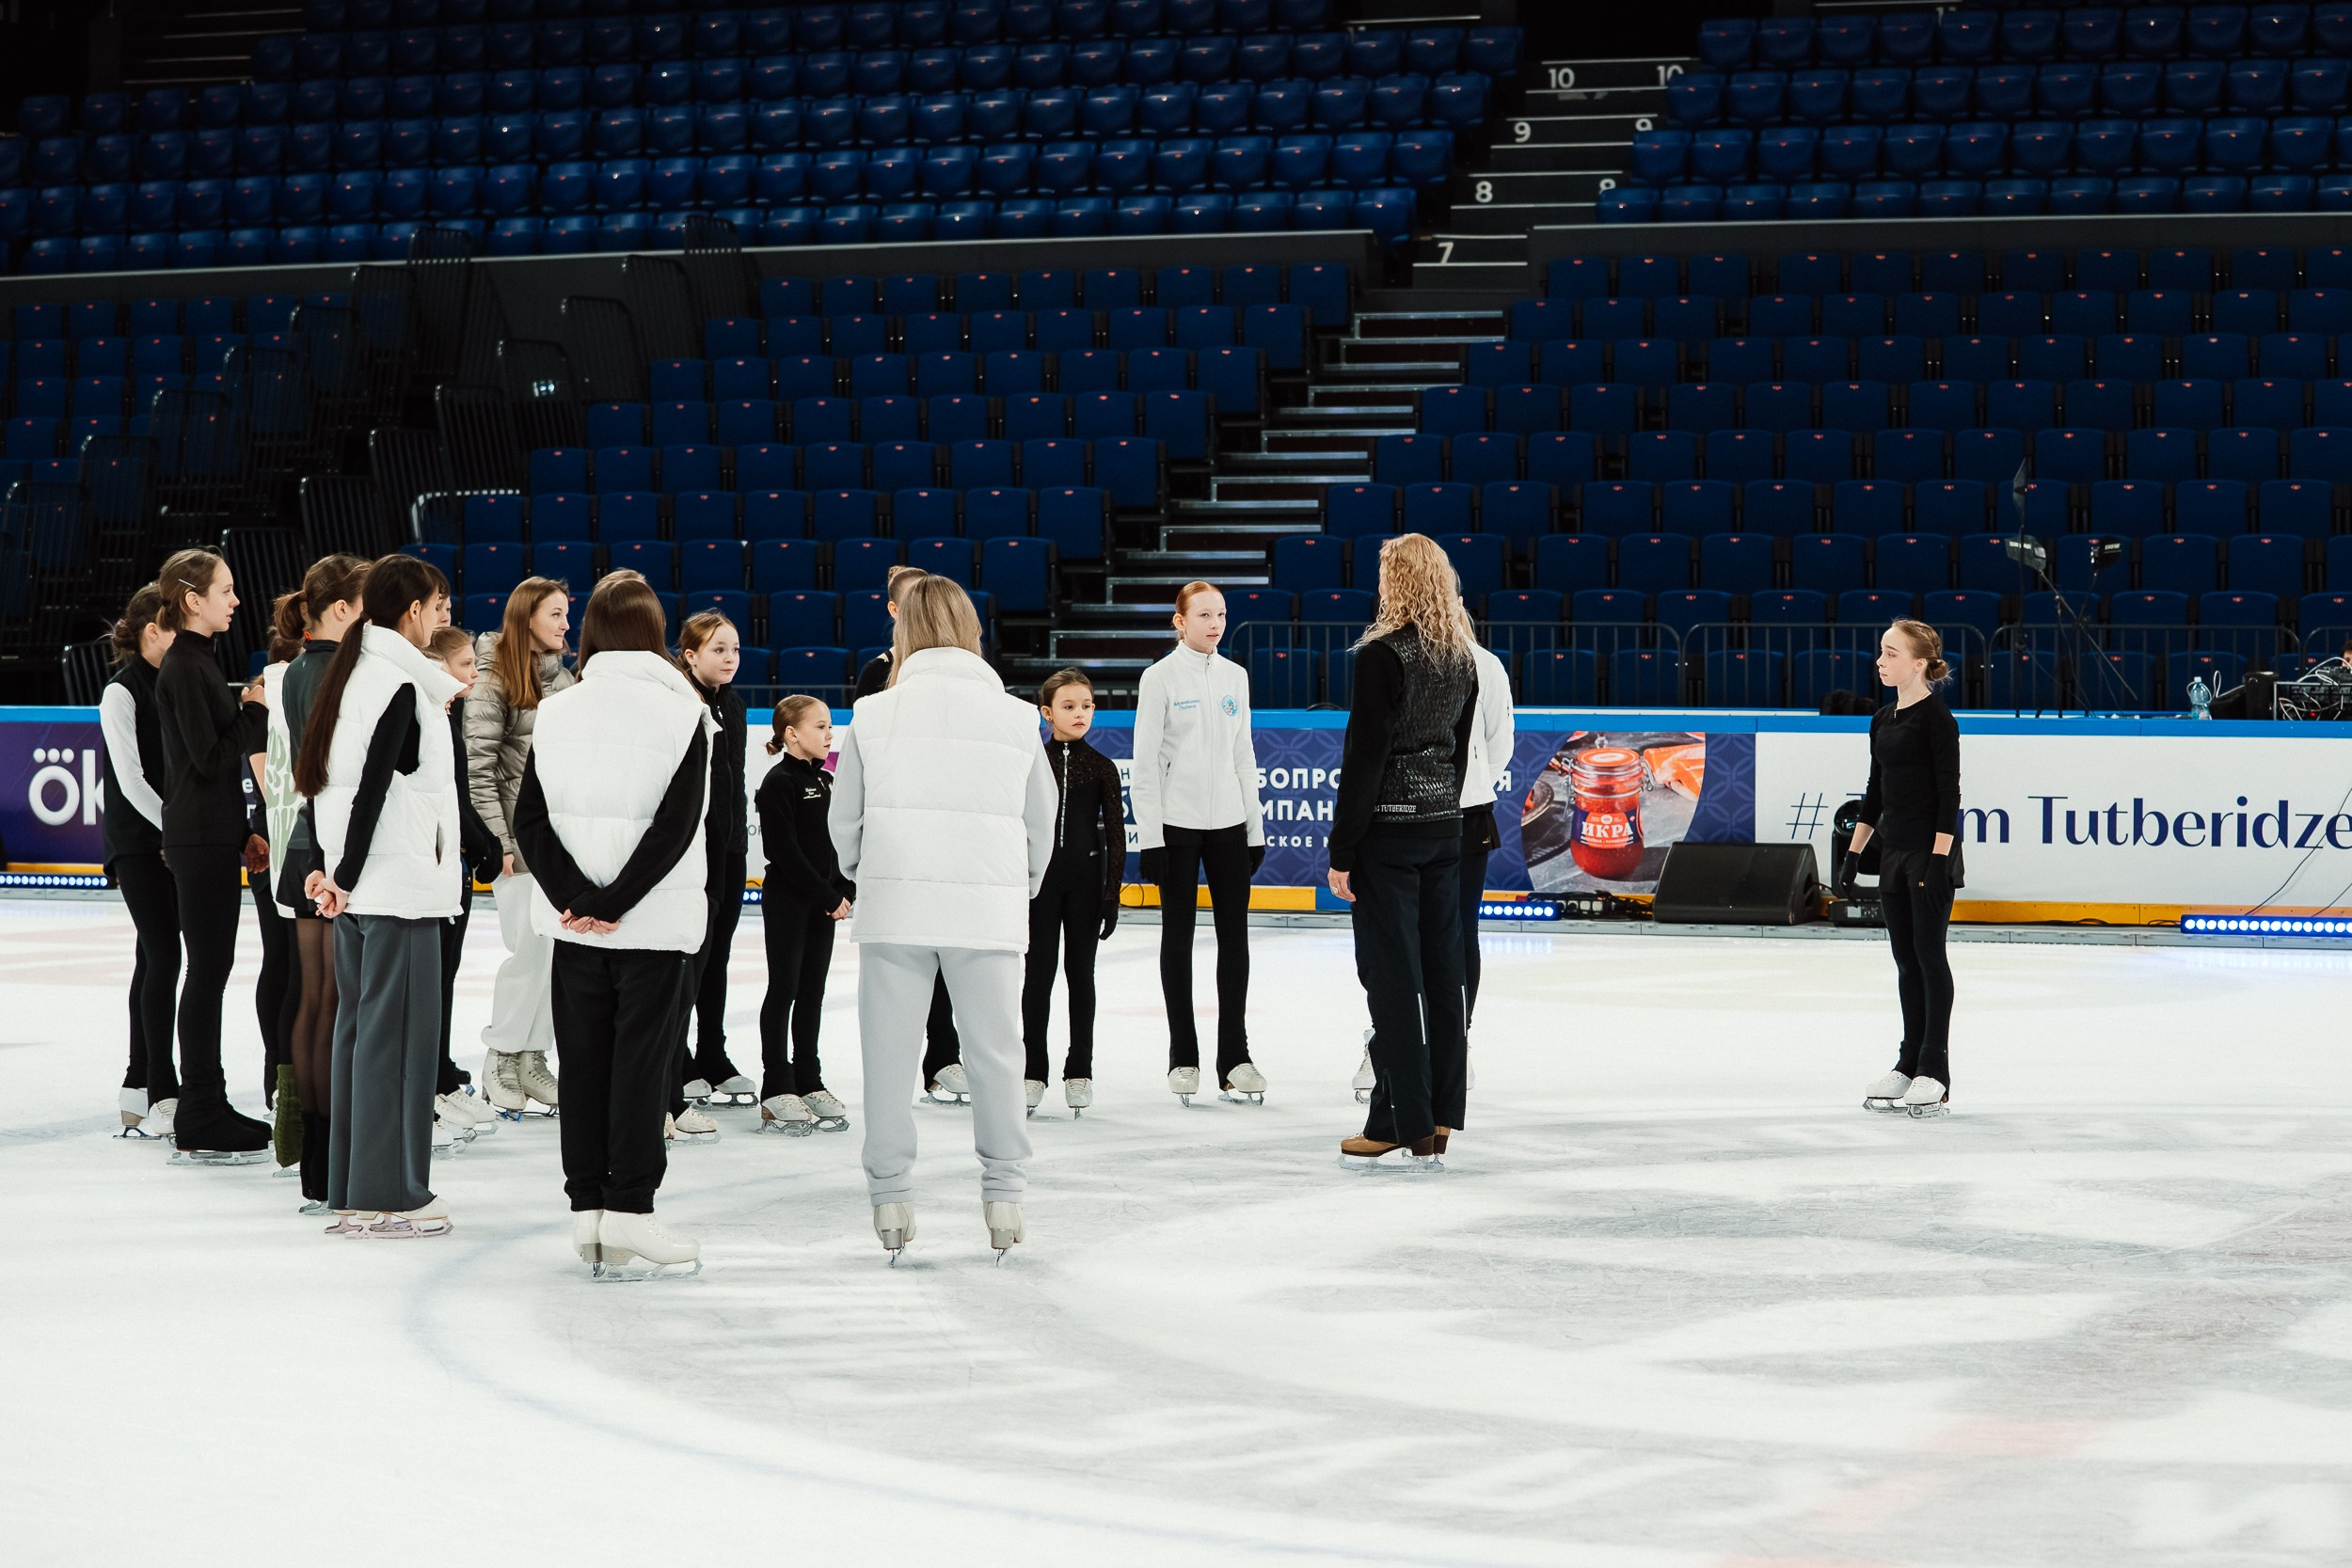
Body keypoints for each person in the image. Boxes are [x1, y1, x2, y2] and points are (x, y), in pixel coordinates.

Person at [829, 575, 1056, 1262]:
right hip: (985, 906)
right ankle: (1005, 1198)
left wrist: (868, 873)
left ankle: (891, 1198)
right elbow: (1041, 824)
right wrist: (1018, 884)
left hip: (897, 906)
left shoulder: (874, 713)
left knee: (890, 1057)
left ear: (904, 633)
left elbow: (844, 823)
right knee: (995, 1055)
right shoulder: (1018, 717)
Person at [511, 574, 712, 1277]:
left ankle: (588, 1212)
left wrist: (578, 896)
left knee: (585, 1068)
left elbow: (527, 818)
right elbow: (680, 826)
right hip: (650, 926)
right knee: (640, 1069)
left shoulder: (560, 709)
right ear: (655, 633)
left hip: (574, 926)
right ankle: (629, 1208)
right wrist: (617, 898)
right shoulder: (684, 712)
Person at [297, 554, 467, 1238]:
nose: (441, 616)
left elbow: (323, 784)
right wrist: (343, 872)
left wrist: (330, 868)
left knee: (361, 1035)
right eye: (436, 605)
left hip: (365, 886)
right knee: (396, 1042)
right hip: (393, 887)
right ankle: (388, 1188)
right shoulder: (398, 681)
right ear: (412, 612)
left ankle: (354, 1184)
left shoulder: (352, 675)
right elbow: (370, 791)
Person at [1326, 534, 1480, 1171]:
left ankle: (1402, 1121)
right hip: (1445, 829)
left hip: (1388, 834)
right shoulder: (1462, 657)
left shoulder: (1381, 656)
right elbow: (1461, 749)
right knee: (1444, 975)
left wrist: (1342, 847)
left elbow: (1364, 758)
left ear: (1398, 580)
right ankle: (1441, 1116)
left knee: (1392, 979)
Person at [1353, 621, 1513, 1101]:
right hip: (1411, 815)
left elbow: (1498, 745)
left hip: (1463, 815)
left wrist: (1462, 787)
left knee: (1458, 934)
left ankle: (1452, 1044)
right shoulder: (1402, 657)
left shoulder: (1483, 663)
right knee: (1398, 942)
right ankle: (1391, 1043)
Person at [151, 548, 272, 1162]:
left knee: (211, 967)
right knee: (206, 968)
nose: (235, 599)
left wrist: (242, 828)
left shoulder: (196, 662)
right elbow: (210, 757)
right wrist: (253, 709)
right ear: (193, 599)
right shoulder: (186, 666)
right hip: (197, 836)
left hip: (209, 832)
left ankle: (209, 1100)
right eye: (225, 590)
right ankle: (199, 1105)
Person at [1132, 580, 1268, 1105]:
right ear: (1179, 621)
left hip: (1230, 825)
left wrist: (1254, 828)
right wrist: (1151, 838)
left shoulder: (1236, 676)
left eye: (1222, 614)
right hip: (1176, 827)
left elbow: (1244, 758)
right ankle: (1183, 1055)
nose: (1215, 623)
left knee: (1235, 938)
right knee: (1179, 938)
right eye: (1205, 614)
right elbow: (1144, 764)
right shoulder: (1158, 678)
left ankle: (1235, 1057)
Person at [265, 554, 368, 1210]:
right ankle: (329, 1158)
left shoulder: (297, 669)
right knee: (330, 1001)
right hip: (326, 842)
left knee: (312, 998)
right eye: (364, 607)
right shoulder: (338, 670)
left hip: (300, 841)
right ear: (339, 610)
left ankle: (313, 1160)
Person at [1838, 620, 1963, 1119]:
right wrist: (1853, 853)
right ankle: (1908, 1061)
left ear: (1918, 664)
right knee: (1906, 961)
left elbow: (1950, 796)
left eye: (1890, 654)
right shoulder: (1882, 719)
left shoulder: (1938, 720)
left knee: (1930, 958)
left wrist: (1937, 860)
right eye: (1880, 653)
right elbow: (1876, 792)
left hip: (1927, 855)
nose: (1880, 661)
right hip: (1892, 856)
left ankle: (1936, 1067)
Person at [853, 566, 967, 1101]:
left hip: (952, 842)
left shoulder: (968, 681)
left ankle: (944, 1057)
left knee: (950, 959)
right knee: (900, 975)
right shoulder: (877, 678)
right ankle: (898, 1077)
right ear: (896, 611)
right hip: (898, 845)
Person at [465, 578, 575, 1117]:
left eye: (566, 614)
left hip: (558, 844)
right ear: (526, 616)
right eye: (555, 614)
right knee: (526, 954)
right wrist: (499, 840)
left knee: (551, 956)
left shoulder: (565, 678)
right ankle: (500, 1055)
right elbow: (478, 771)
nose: (564, 624)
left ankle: (532, 1057)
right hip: (516, 843)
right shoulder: (493, 679)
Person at [1021, 669, 1123, 1117]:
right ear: (1046, 713)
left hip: (1085, 884)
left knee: (1081, 975)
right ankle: (1032, 1070)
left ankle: (1080, 1067)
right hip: (1039, 887)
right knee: (1037, 977)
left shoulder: (1101, 766)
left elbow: (1116, 836)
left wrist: (1112, 892)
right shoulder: (1031, 763)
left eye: (1086, 705)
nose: (1079, 713)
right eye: (1068, 706)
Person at [753, 694, 854, 1135]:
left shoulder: (828, 781)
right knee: (785, 989)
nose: (829, 734)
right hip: (790, 901)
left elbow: (837, 844)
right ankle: (777, 1086)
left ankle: (808, 1079)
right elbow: (783, 851)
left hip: (822, 902)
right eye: (820, 726)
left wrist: (844, 887)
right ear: (791, 733)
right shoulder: (779, 782)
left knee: (812, 991)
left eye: (830, 726)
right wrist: (826, 894)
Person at [100, 584, 179, 1141]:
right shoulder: (120, 693)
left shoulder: (174, 682)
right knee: (162, 956)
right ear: (153, 630)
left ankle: (138, 1087)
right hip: (137, 842)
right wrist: (175, 829)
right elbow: (131, 779)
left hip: (173, 840)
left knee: (153, 959)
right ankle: (160, 1089)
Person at [424, 626, 503, 1139]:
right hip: (435, 863)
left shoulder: (445, 711)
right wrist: (484, 844)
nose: (473, 674)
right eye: (465, 666)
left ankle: (439, 1074)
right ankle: (428, 1086)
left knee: (442, 974)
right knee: (431, 977)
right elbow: (447, 793)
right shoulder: (431, 710)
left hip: (451, 860)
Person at [675, 610, 755, 1106]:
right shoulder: (681, 704)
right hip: (691, 851)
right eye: (718, 650)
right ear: (690, 655)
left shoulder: (737, 704)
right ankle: (678, 1057)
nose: (730, 658)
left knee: (719, 957)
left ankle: (713, 1054)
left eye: (735, 649)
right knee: (690, 957)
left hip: (729, 848)